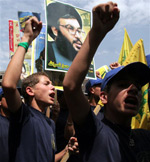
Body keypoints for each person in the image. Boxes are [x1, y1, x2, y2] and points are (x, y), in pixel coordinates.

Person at [63, 2, 150, 161]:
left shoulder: (144, 138)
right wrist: (96, 33)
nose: (133, 89)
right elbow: (71, 86)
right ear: (104, 97)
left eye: (137, 87)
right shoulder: (95, 132)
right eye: (123, 85)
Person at [2, 16, 78, 162]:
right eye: (46, 83)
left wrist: (66, 149)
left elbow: (48, 159)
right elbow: (9, 85)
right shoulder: (23, 115)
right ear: (30, 91)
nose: (53, 88)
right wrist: (26, 39)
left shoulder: (50, 123)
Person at [46, 2, 84, 71]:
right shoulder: (45, 53)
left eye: (79, 31)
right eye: (71, 29)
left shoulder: (85, 62)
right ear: (55, 30)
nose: (78, 36)